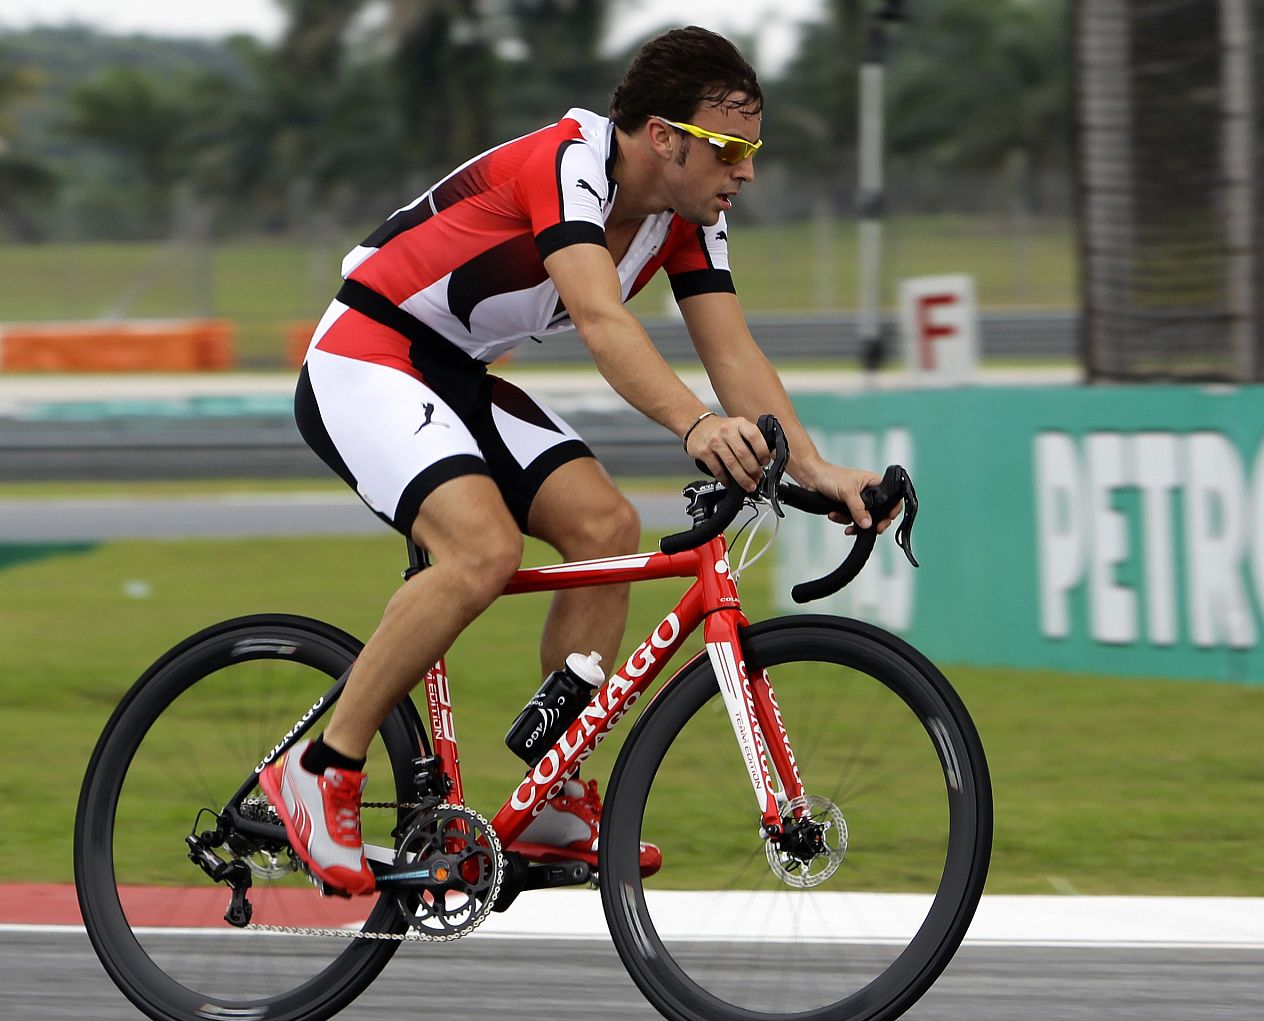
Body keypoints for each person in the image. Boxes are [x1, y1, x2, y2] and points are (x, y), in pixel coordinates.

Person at [258, 27, 888, 897]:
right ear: (664, 137)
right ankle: (319, 769)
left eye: (754, 149)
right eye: (730, 148)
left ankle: (551, 796)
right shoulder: (568, 163)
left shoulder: (688, 216)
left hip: (454, 372)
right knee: (480, 550)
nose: (745, 170)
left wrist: (816, 467)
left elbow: (732, 350)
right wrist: (697, 426)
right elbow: (600, 319)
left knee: (607, 526)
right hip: (366, 354)